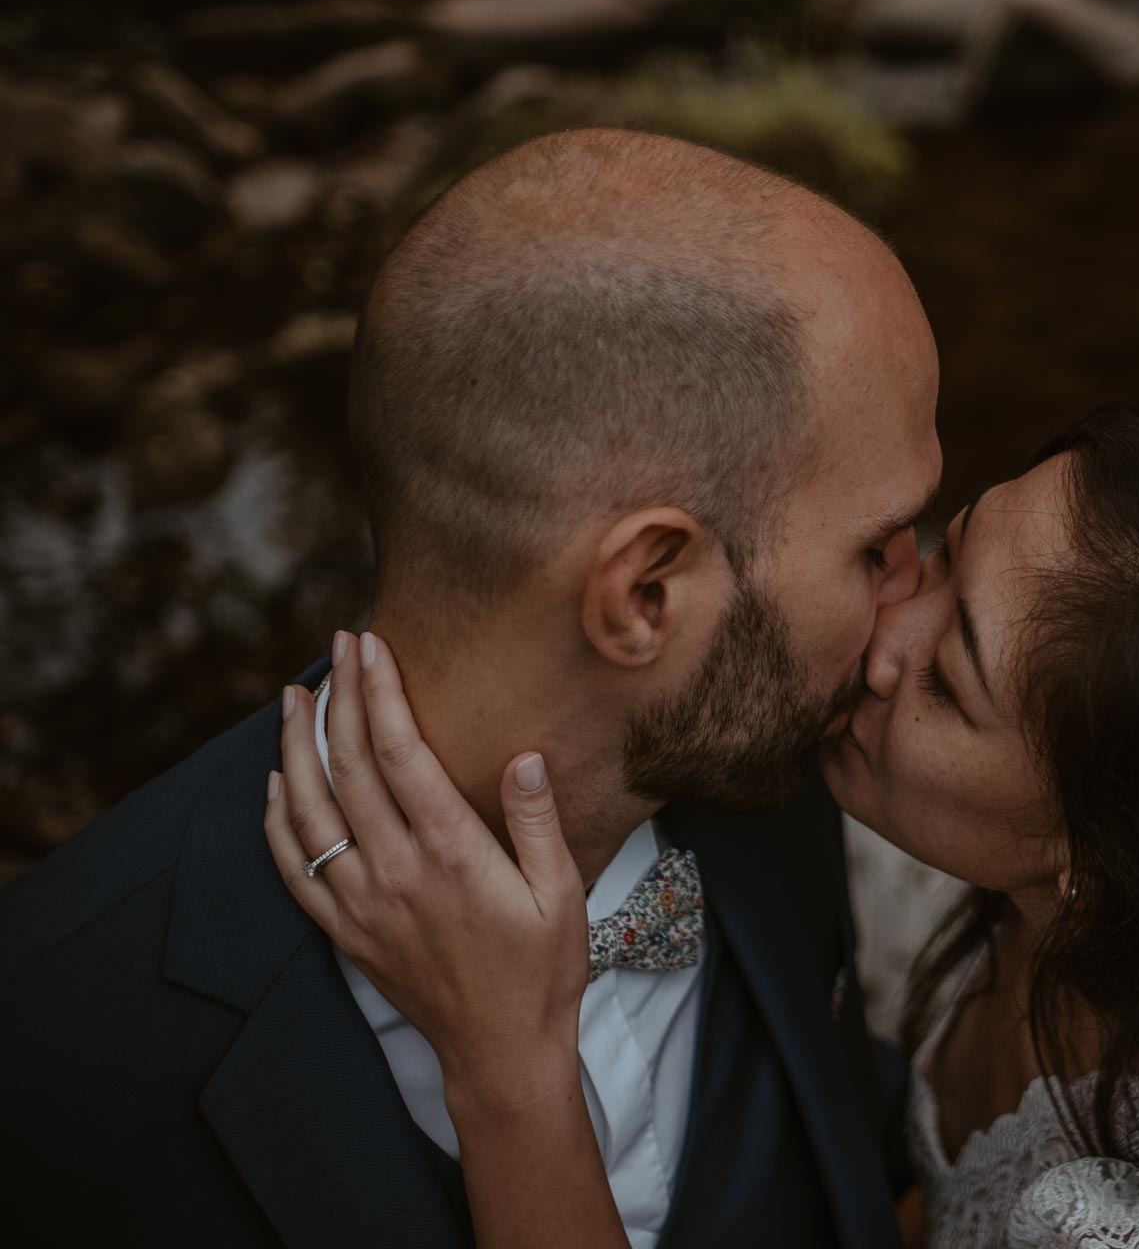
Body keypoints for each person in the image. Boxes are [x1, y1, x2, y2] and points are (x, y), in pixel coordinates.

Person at [271, 403, 1139, 1249]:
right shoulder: (1046, 899)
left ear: (1108, 854)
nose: (881, 630)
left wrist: (507, 1062)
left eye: (948, 680)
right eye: (941, 547)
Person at [0, 128, 941, 1248]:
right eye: (875, 546)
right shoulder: (49, 1049)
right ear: (644, 592)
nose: (910, 602)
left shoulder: (779, 775)